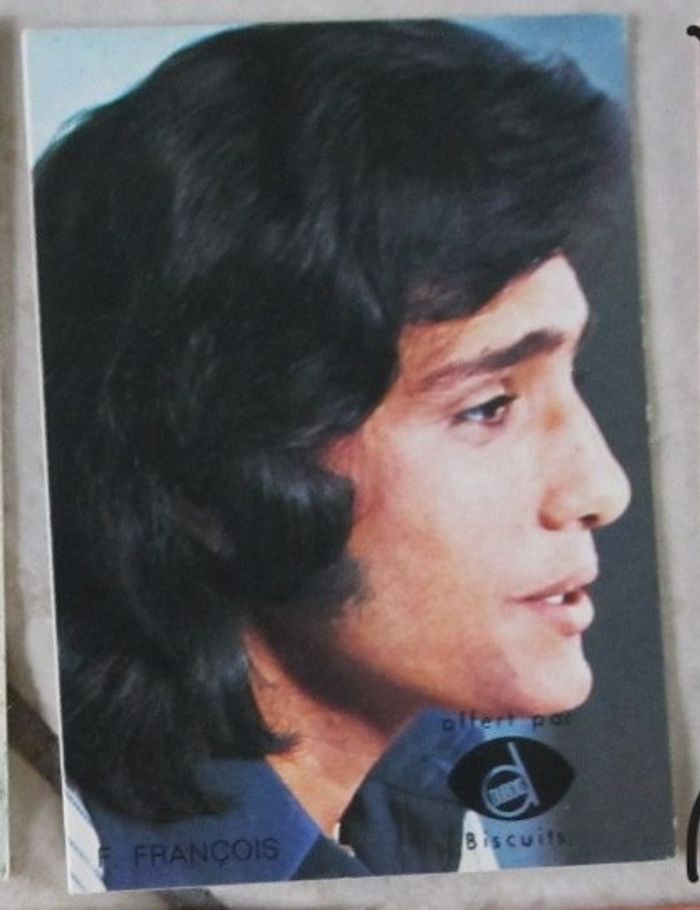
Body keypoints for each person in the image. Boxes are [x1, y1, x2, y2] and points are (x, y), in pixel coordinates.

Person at [33, 19, 631, 890]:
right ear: (214, 476)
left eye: (570, 378)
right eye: (488, 407)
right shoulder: (51, 858)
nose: (601, 487)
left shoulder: (430, 793)